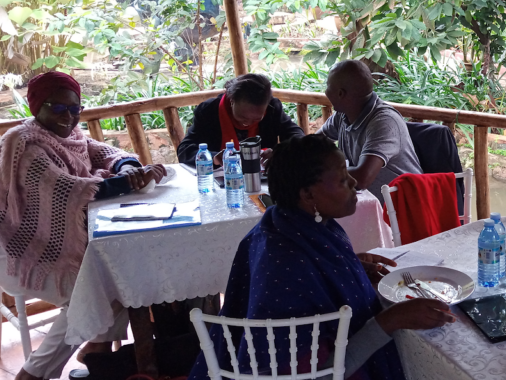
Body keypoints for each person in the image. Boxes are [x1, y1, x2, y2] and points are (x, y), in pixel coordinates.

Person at [188, 135, 453, 379]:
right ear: (307, 194)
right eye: (341, 179)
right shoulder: (286, 268)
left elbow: (313, 268)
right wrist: (391, 320)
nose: (355, 182)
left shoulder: (286, 223)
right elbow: (318, 375)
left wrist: (349, 266)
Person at [0, 72, 167, 380]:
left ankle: (96, 353)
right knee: (93, 293)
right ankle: (33, 374)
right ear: (36, 107)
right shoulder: (24, 144)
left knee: (122, 281)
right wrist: (124, 183)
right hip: (16, 251)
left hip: (51, 248)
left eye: (75, 109)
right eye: (59, 108)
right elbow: (68, 189)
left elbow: (103, 151)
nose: (69, 116)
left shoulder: (70, 135)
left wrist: (127, 167)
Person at [318, 60, 421, 202]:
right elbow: (313, 145)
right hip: (373, 204)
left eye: (328, 86)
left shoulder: (383, 122)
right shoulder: (343, 115)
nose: (325, 91)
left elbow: (361, 178)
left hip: (404, 208)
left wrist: (316, 174)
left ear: (340, 94)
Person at [177, 73, 303, 167]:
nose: (248, 123)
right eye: (243, 117)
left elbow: (298, 138)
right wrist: (213, 157)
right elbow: (184, 150)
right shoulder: (209, 111)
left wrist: (278, 152)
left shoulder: (272, 109)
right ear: (232, 100)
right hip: (222, 179)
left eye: (257, 118)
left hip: (262, 179)